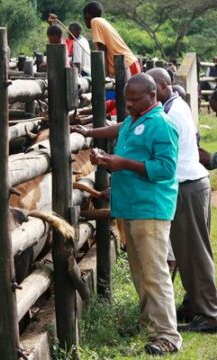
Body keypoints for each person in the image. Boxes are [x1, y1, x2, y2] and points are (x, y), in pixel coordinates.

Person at [73, 74, 182, 355]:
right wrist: (103, 154)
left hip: (151, 208)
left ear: (152, 95)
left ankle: (168, 335)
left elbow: (165, 170)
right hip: (132, 207)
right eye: (127, 100)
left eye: (134, 100)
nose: (129, 105)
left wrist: (120, 163)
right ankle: (150, 324)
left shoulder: (161, 125)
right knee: (140, 272)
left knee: (154, 273)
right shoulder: (135, 121)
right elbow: (118, 132)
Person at [147, 68, 217, 332]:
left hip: (187, 186)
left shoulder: (170, 113)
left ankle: (209, 313)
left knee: (194, 253)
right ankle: (194, 305)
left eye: (152, 88)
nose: (149, 94)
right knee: (190, 252)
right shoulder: (176, 105)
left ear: (164, 87)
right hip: (192, 185)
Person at [83, 1, 141, 78]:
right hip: (128, 64)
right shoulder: (102, 21)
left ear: (87, 15)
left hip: (126, 66)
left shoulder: (95, 21)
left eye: (84, 17)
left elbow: (102, 49)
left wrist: (104, 73)